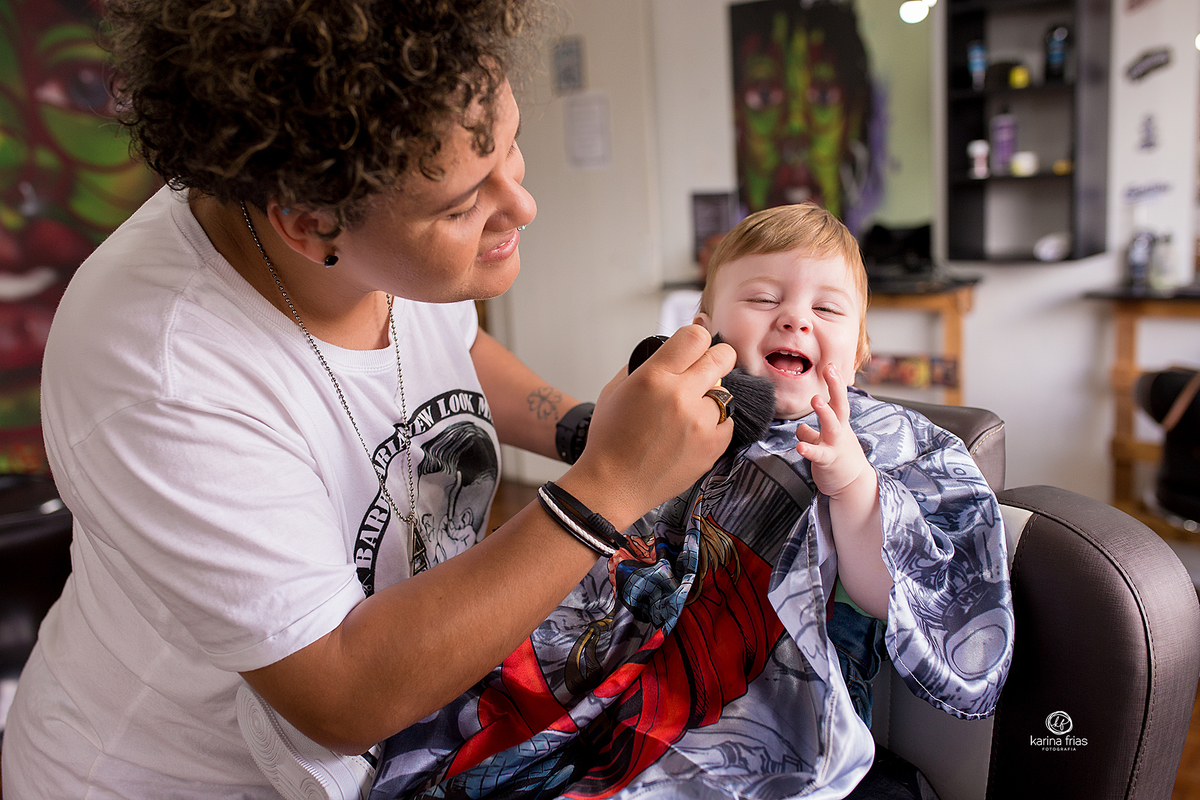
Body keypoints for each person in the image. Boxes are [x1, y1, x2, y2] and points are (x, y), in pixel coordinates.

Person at [0, 1, 739, 797]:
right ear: (309, 222)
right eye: (461, 205)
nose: (521, 205)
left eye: (510, 145)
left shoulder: (378, 226)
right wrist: (609, 486)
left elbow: (455, 346)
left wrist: (579, 430)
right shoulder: (161, 368)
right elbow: (342, 693)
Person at [334, 205, 1012, 798]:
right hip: (617, 657)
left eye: (827, 309)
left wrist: (853, 487)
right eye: (763, 298)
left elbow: (885, 595)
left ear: (859, 347)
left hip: (759, 706)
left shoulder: (877, 447)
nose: (795, 318)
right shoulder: (681, 413)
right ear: (705, 329)